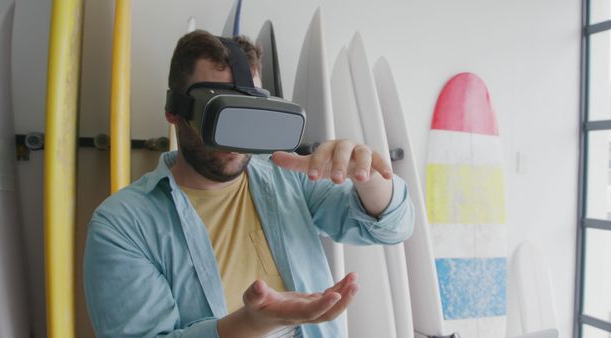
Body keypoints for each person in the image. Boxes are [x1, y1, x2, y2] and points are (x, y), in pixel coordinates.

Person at [84, 30, 414, 338]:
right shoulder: (122, 224)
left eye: (246, 112)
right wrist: (251, 324)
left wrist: (366, 177)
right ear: (175, 111)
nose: (233, 139)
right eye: (217, 113)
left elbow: (393, 228)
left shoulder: (286, 175)